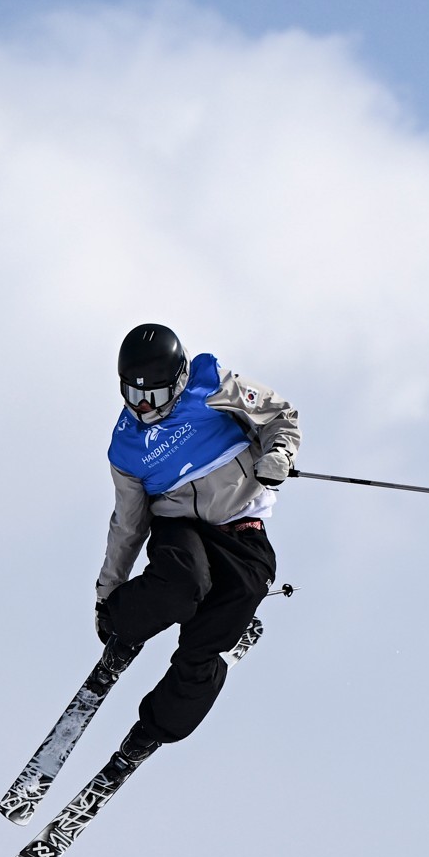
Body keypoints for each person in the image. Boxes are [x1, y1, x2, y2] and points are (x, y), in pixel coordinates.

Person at [95, 323, 301, 763]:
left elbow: (278, 415)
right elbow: (128, 523)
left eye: (154, 395)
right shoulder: (126, 447)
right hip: (180, 526)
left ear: (181, 380)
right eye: (134, 396)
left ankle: (154, 730)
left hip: (242, 525)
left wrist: (278, 454)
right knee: (181, 583)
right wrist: (108, 595)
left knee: (210, 640)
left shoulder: (212, 384)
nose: (144, 407)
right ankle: (128, 624)